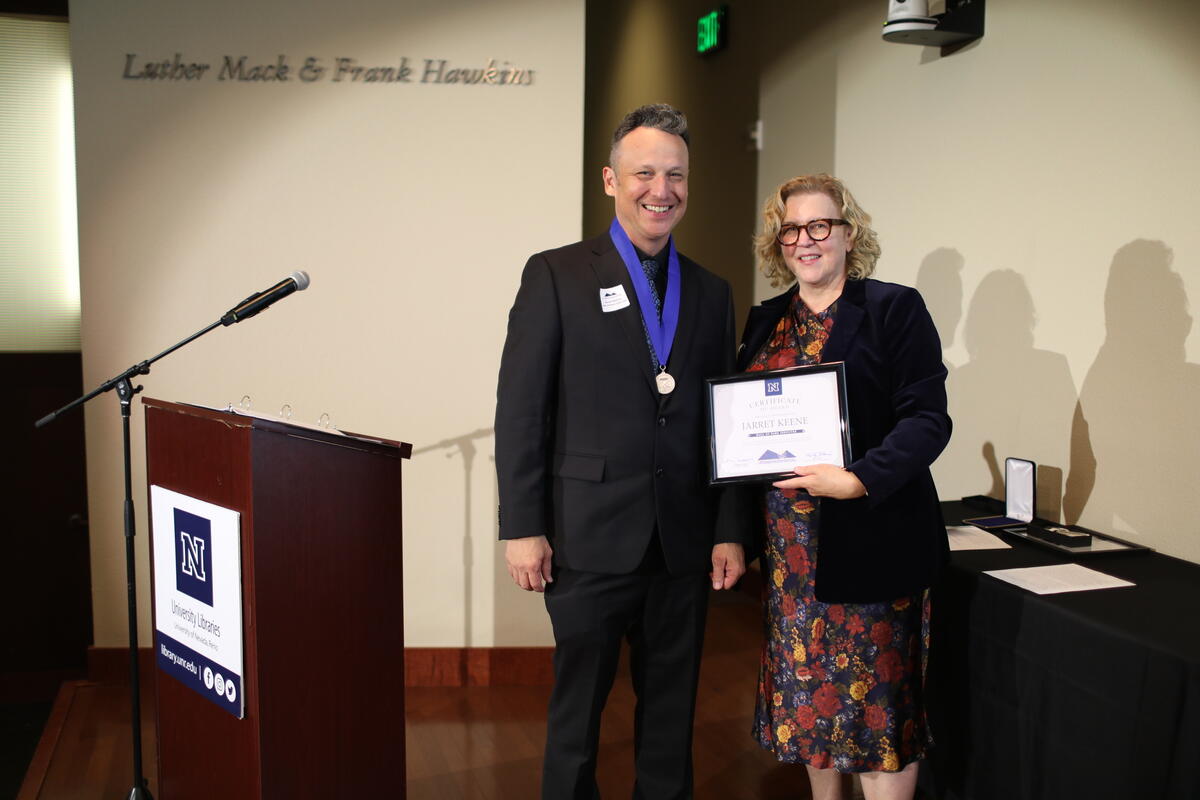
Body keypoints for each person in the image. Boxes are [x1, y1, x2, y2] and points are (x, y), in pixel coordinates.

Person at [495, 103, 748, 800]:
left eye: (675, 175)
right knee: (577, 716)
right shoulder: (555, 275)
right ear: (611, 179)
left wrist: (729, 530)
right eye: (644, 173)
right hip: (587, 539)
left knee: (671, 718)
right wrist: (522, 526)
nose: (660, 189)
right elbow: (521, 411)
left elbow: (720, 423)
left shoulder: (712, 292)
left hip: (682, 545)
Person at [736, 174, 950, 800]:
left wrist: (857, 479)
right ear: (777, 244)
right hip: (791, 562)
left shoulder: (893, 308)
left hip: (872, 542)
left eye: (820, 225)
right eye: (791, 229)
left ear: (849, 233)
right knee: (811, 711)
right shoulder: (765, 322)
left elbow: (927, 420)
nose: (805, 240)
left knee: (879, 714)